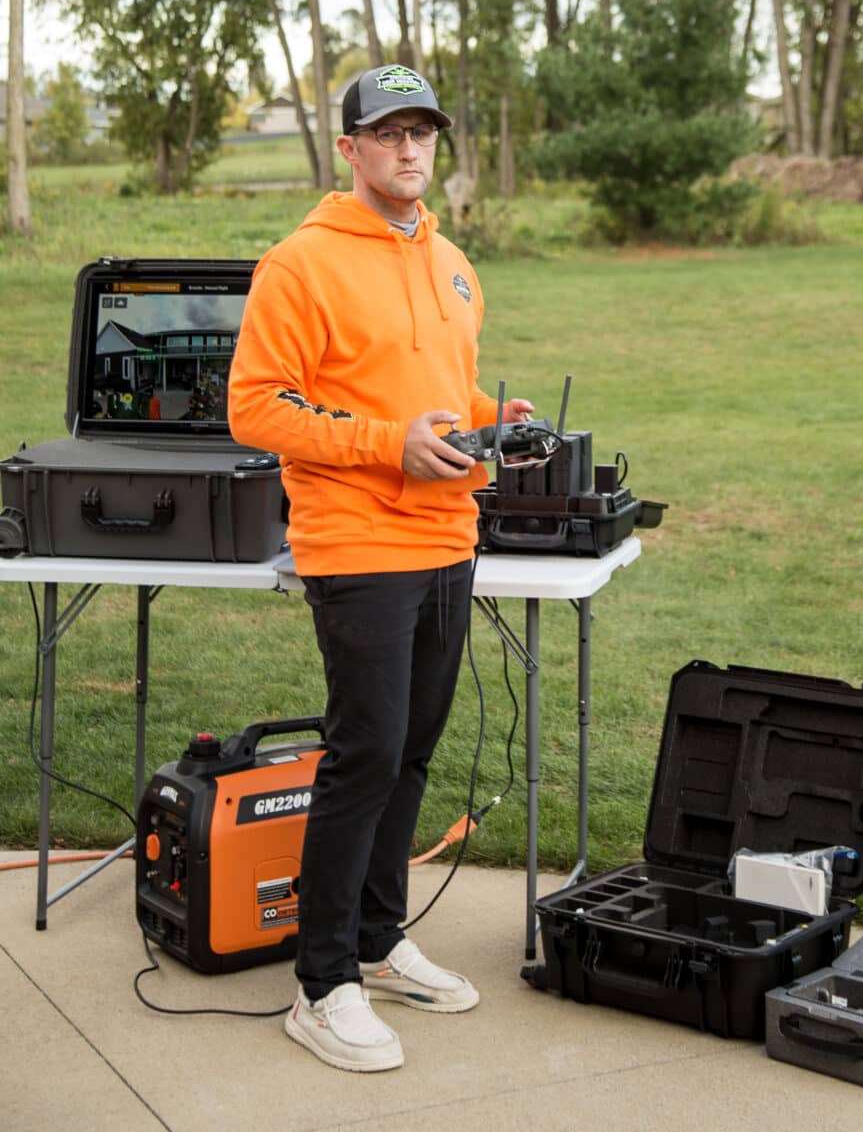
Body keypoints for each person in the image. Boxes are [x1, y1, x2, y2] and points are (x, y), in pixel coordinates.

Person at [228, 64, 533, 1074]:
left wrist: (496, 419)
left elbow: (439, 387)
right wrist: (384, 445)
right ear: (350, 147)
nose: (410, 151)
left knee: (411, 755)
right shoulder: (300, 264)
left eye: (424, 134)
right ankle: (322, 986)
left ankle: (377, 937)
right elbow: (259, 407)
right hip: (357, 541)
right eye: (389, 134)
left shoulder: (451, 259)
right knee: (365, 756)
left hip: (449, 536)